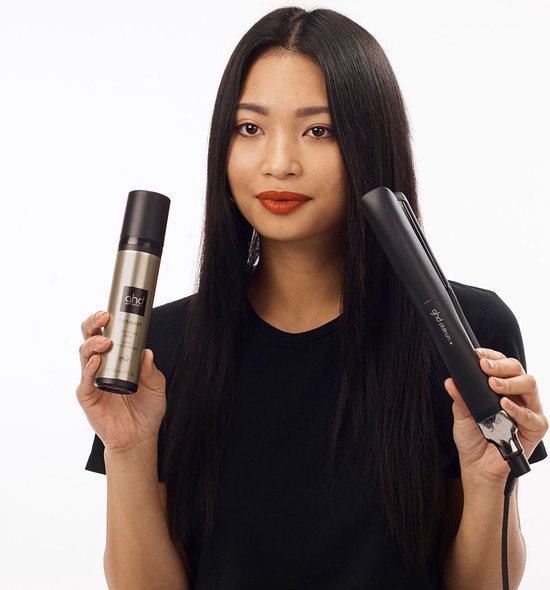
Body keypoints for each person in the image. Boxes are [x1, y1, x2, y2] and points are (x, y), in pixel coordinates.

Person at [78, 7, 548, 589]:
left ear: (370, 144)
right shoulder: (159, 352)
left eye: (318, 130)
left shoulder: (466, 333)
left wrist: (488, 479)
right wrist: (127, 449)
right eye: (250, 128)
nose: (279, 163)